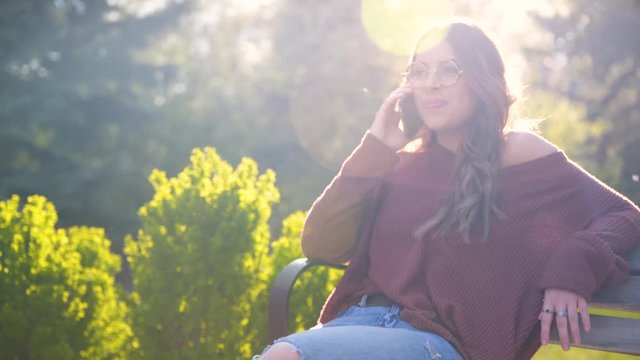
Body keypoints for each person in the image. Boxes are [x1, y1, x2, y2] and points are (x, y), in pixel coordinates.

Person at [254, 20, 640, 360]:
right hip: (357, 323)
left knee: (285, 356)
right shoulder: (399, 163)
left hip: (435, 343)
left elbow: (623, 216)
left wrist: (572, 269)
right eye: (419, 71)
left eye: (448, 70)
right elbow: (320, 245)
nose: (431, 83)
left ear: (480, 78)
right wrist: (375, 148)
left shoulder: (517, 154)